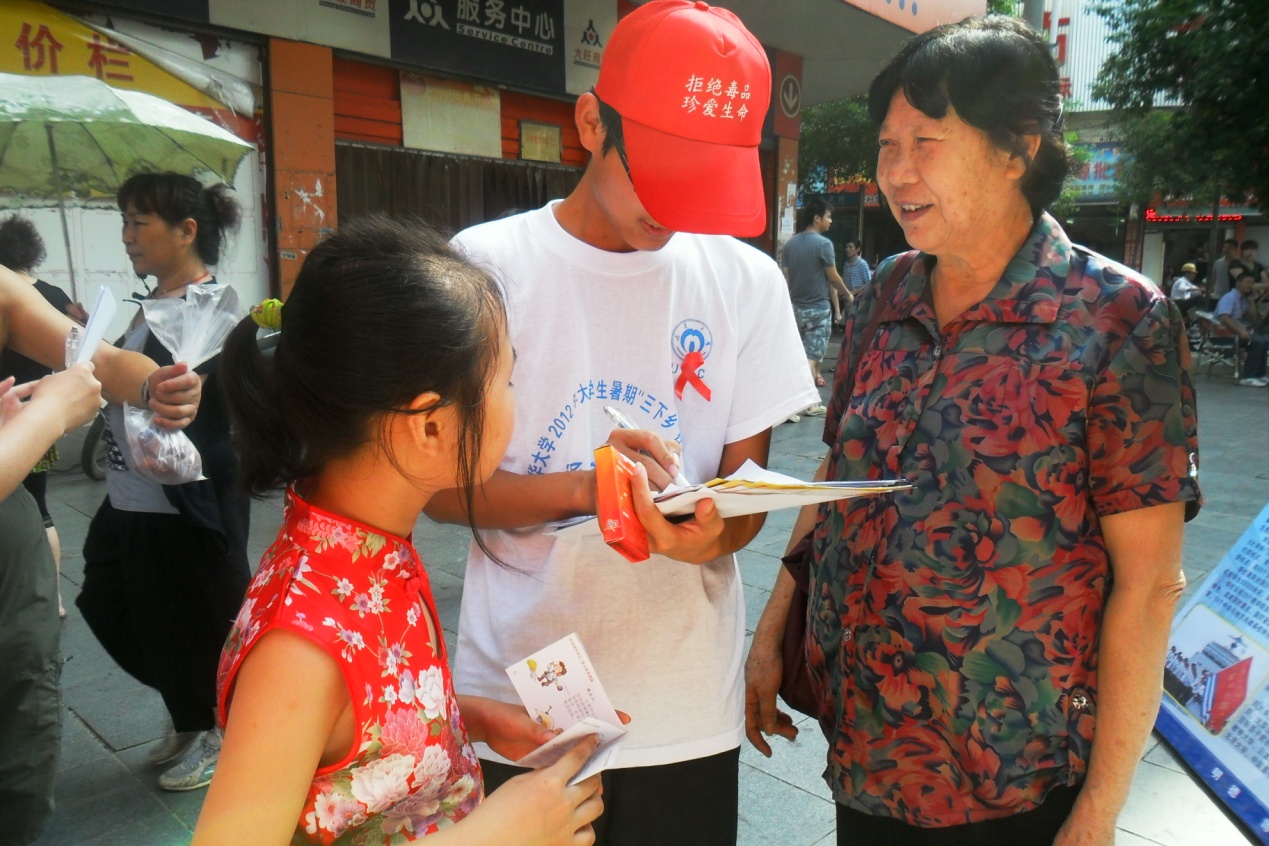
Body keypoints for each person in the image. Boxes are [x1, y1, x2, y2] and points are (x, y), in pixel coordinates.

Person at [745, 16, 1199, 845]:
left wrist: (1098, 812)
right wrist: (773, 626)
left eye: (927, 140)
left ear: (1017, 145)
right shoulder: (886, 291)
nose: (896, 172)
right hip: (867, 742)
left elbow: (1148, 585)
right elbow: (838, 468)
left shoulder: (1119, 321)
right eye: (887, 145)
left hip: (1010, 775)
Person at [427, 3, 818, 844]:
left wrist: (699, 536)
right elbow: (439, 493)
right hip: (522, 696)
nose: (674, 209)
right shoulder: (485, 268)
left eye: (700, 183)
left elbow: (740, 504)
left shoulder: (744, 282)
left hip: (685, 703)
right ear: (591, 121)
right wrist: (586, 487)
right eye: (659, 174)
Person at [193, 217, 604, 846]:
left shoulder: (363, 547)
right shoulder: (299, 650)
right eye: (505, 380)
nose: (513, 399)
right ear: (430, 426)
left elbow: (354, 726)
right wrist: (499, 833)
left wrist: (468, 718)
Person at [0, 265, 201, 846]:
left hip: (13, 587)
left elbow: (102, 360)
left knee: (19, 767)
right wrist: (47, 418)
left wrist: (154, 386)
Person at [77, 172, 251, 793]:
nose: (126, 237)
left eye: (138, 223)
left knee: (200, 617)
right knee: (118, 600)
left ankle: (219, 729)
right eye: (124, 222)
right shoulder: (154, 308)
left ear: (187, 231)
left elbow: (229, 416)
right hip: (132, 498)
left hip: (186, 504)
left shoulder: (215, 315)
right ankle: (189, 709)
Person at [0, 214, 79, 617]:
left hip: (7, 416)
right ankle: (55, 597)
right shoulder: (52, 292)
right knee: (41, 507)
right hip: (41, 415)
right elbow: (77, 342)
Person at [784, 196, 852, 407]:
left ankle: (811, 404)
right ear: (817, 218)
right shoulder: (824, 245)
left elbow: (785, 279)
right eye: (828, 217)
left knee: (800, 354)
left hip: (794, 309)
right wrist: (847, 294)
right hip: (818, 310)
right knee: (812, 357)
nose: (830, 221)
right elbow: (833, 277)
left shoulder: (790, 245)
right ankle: (792, 400)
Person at [1215, 271, 1269, 387]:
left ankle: (1259, 374)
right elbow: (1224, 317)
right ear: (1238, 283)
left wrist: (1251, 301)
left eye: (1252, 283)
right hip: (1225, 333)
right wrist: (1240, 332)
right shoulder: (1230, 297)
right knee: (1257, 342)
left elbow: (1252, 317)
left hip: (1239, 331)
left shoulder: (1244, 298)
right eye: (1247, 282)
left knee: (1264, 341)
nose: (1250, 285)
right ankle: (1248, 376)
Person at [839, 237, 872, 308]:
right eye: (846, 247)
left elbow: (868, 283)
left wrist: (853, 292)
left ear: (858, 249)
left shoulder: (862, 264)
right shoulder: (846, 264)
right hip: (847, 298)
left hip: (858, 298)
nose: (847, 249)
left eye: (850, 247)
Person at [1208, 237, 1240, 303]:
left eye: (1229, 247)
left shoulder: (1239, 263)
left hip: (1233, 296)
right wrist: (1209, 291)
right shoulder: (1218, 262)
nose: (1226, 249)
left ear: (1235, 250)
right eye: (1225, 247)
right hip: (1218, 295)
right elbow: (1213, 277)